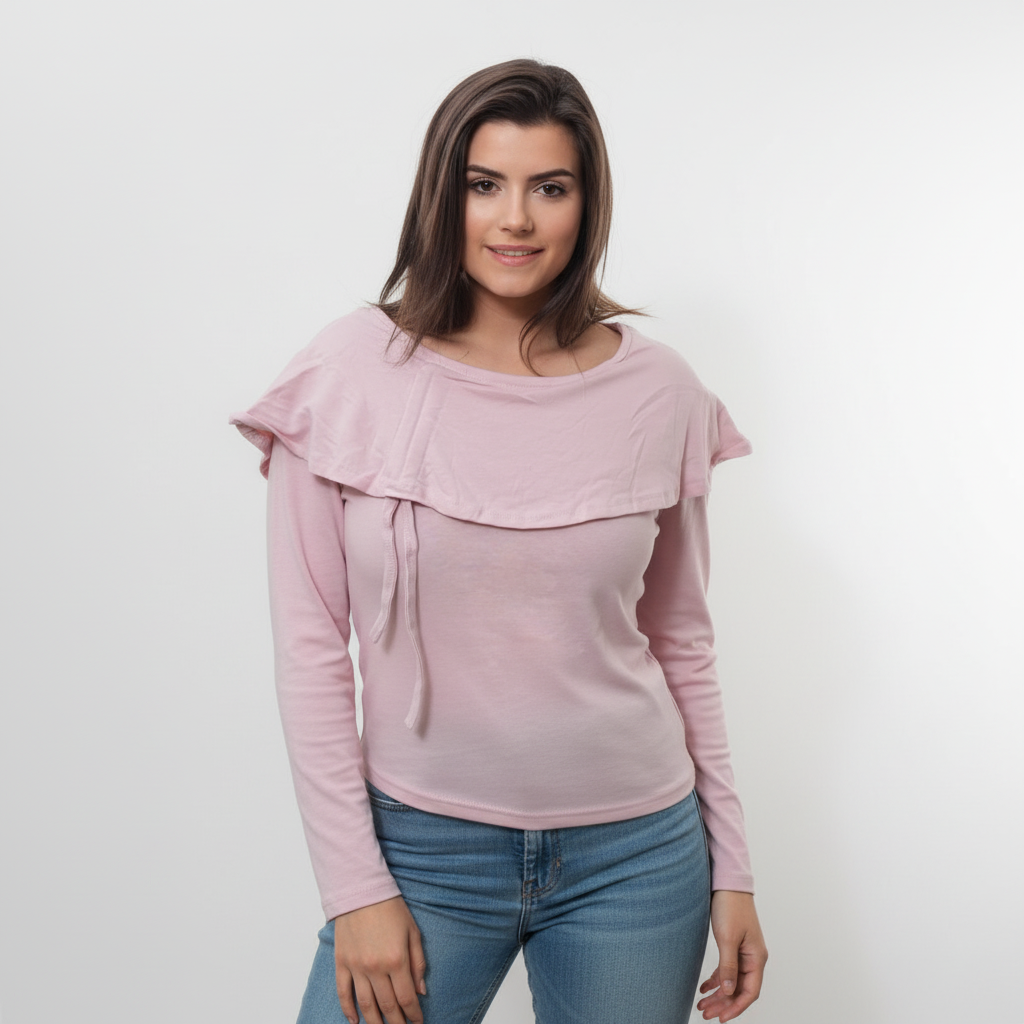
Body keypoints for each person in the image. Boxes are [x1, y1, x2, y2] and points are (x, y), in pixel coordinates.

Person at [231, 58, 768, 1024]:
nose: (514, 219)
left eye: (549, 188)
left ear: (587, 204)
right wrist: (355, 889)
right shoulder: (348, 372)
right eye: (485, 185)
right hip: (421, 852)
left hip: (638, 856)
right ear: (444, 195)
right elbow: (311, 651)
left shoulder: (661, 392)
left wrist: (733, 866)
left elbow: (682, 641)